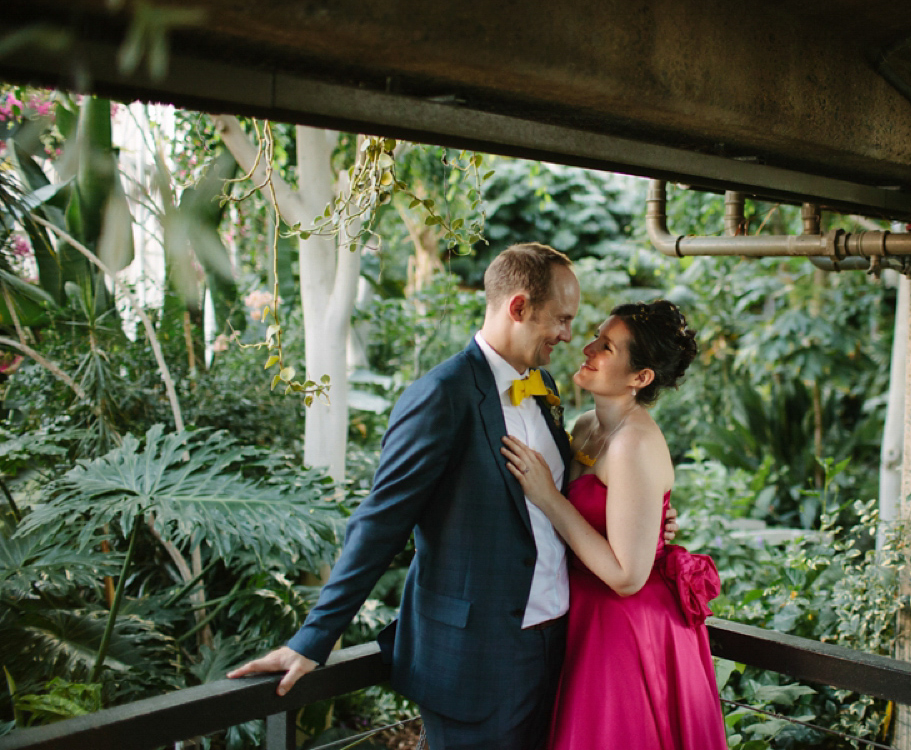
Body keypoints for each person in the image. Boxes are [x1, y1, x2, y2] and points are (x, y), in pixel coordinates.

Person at [229, 243, 671, 750]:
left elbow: (568, 500)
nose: (569, 336)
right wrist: (312, 641)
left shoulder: (545, 386)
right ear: (519, 307)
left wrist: (648, 520)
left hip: (558, 649)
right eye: (563, 319)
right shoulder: (441, 395)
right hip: (476, 661)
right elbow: (379, 524)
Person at [501, 299, 726, 750]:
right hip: (579, 612)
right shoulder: (585, 425)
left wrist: (547, 495)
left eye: (606, 346)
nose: (587, 347)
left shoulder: (634, 444)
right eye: (595, 336)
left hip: (624, 626)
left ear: (640, 378)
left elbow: (627, 576)